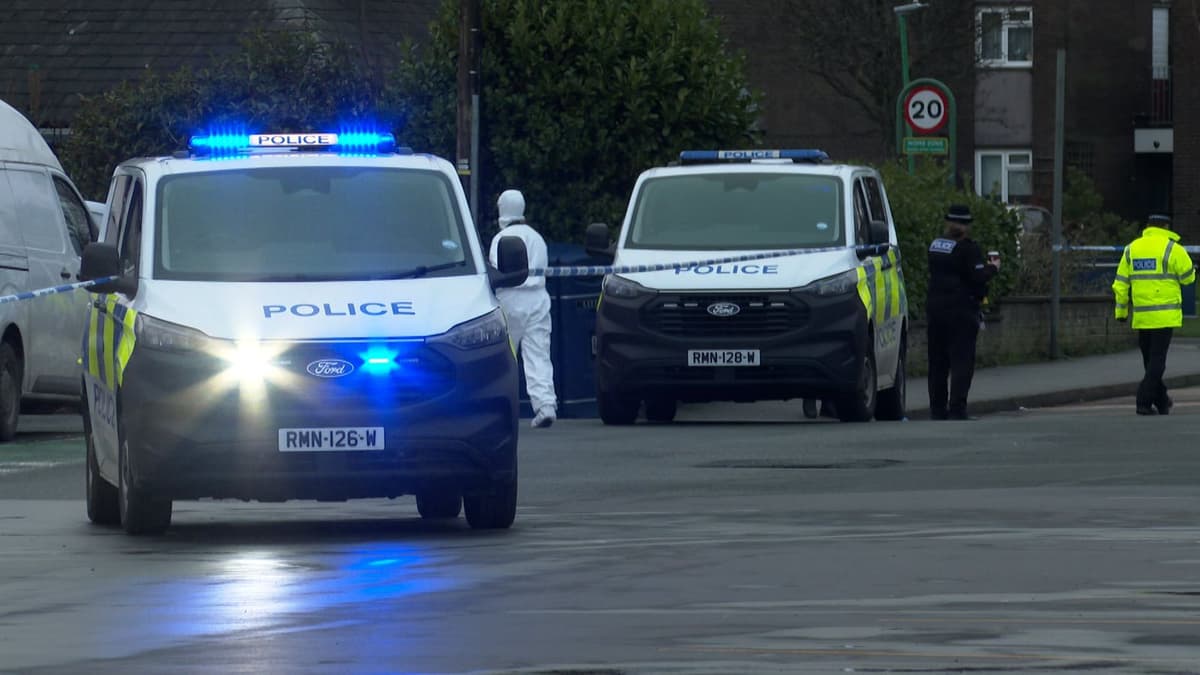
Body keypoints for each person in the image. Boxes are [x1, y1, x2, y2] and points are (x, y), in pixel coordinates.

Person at [1112, 214, 1196, 415]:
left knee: (1149, 360)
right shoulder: (1172, 248)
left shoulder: (1132, 249)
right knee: (1157, 361)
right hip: (1165, 316)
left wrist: (1121, 311)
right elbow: (1188, 278)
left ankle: (1161, 400)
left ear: (1148, 226)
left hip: (1142, 316)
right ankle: (1143, 400)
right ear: (1166, 226)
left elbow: (1120, 284)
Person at [489, 189, 558, 428]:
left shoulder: (501, 239)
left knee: (504, 357)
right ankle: (545, 406)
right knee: (538, 353)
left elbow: (496, 273)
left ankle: (499, 408)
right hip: (538, 298)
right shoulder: (537, 238)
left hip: (510, 299)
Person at [925, 204, 999, 421]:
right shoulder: (968, 249)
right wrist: (993, 268)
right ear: (966, 226)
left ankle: (937, 409)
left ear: (947, 222)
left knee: (937, 362)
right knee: (961, 361)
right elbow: (976, 277)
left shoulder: (935, 245)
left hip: (936, 309)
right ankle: (957, 409)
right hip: (961, 310)